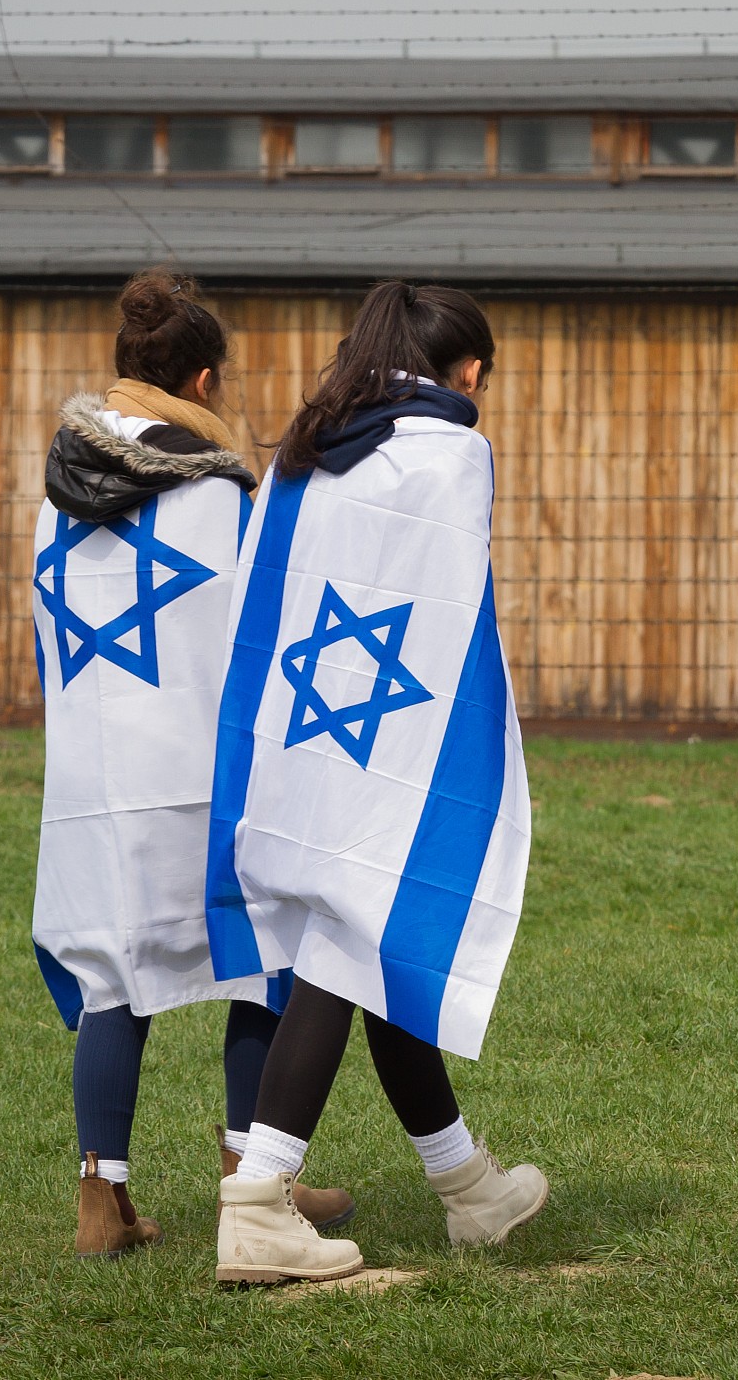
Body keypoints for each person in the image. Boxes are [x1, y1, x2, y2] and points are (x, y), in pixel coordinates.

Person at [202, 281, 546, 1286]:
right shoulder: (452, 454)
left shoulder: (306, 453)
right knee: (354, 936)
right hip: (395, 735)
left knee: (372, 938)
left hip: (307, 727)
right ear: (468, 369)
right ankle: (258, 1200)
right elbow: (448, 612)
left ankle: (469, 1188)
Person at [30, 268, 353, 1259]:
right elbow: (260, 635)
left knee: (112, 973)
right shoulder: (216, 496)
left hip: (92, 781)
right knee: (260, 960)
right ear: (203, 383)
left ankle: (102, 1199)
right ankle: (254, 1180)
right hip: (201, 778)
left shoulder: (55, 496)